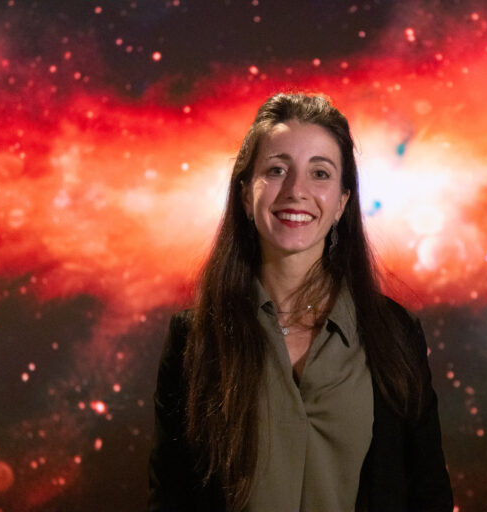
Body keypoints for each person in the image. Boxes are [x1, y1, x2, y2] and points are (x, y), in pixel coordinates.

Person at [148, 92, 454, 511]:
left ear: (343, 202)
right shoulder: (193, 340)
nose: (297, 191)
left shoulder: (394, 334)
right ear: (244, 192)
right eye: (276, 170)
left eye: (320, 173)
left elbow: (429, 495)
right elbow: (171, 500)